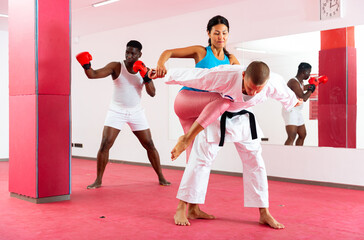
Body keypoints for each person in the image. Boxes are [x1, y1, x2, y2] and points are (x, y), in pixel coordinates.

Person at [151, 62, 299, 229]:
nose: (253, 93)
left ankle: (264, 213)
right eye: (250, 88)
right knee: (200, 160)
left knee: (256, 163)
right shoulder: (225, 75)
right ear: (243, 76)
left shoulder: (273, 82)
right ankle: (182, 208)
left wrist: (294, 102)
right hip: (216, 116)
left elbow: (286, 95)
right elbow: (196, 76)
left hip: (244, 118)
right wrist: (165, 74)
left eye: (258, 90)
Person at [75, 40, 170, 188]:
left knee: (149, 144)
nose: (129, 55)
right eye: (127, 52)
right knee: (105, 144)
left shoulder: (145, 69)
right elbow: (93, 75)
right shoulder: (116, 66)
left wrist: (145, 76)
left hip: (136, 112)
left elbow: (152, 93)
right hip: (116, 111)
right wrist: (86, 65)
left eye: (133, 53)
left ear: (139, 54)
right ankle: (98, 180)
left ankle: (161, 177)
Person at [156, 15, 240, 162]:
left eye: (224, 33)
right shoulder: (201, 52)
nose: (221, 37)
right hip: (185, 100)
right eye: (216, 33)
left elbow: (242, 79)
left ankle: (189, 183)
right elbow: (168, 52)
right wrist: (161, 65)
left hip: (202, 110)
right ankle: (186, 139)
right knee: (223, 101)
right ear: (208, 33)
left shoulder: (230, 59)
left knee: (194, 156)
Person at [282, 62, 315, 146]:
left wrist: (314, 84)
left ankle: (297, 154)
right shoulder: (293, 82)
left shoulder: (300, 82)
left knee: (302, 134)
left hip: (297, 111)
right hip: (291, 110)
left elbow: (302, 88)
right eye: (309, 72)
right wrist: (311, 90)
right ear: (304, 72)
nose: (309, 75)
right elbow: (303, 98)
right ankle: (286, 156)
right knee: (291, 136)